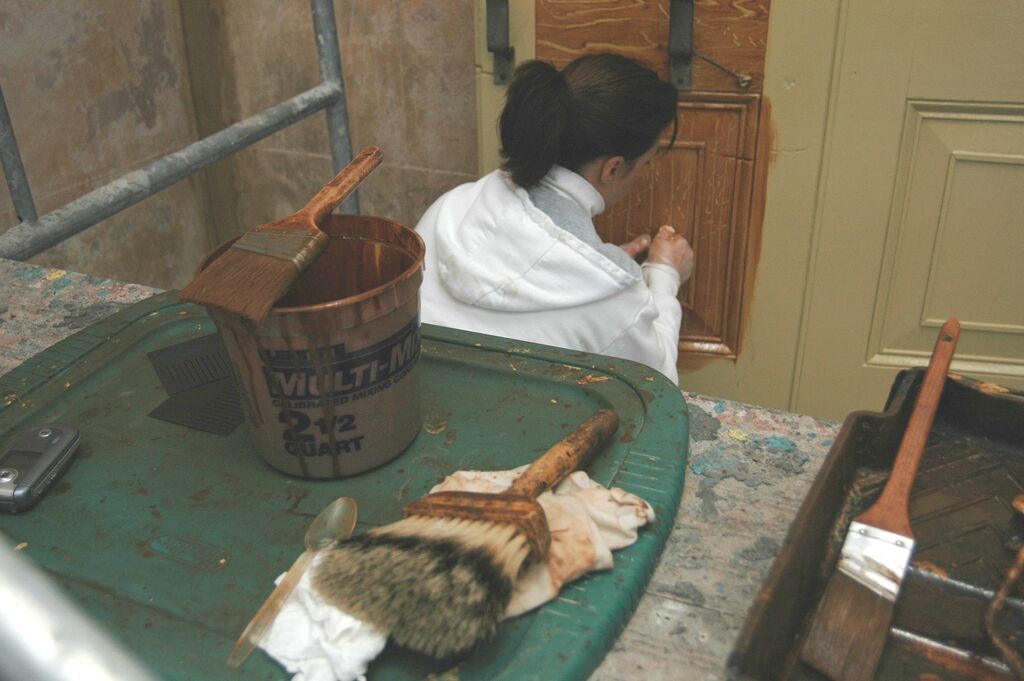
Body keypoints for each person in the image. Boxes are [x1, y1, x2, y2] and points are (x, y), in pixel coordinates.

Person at [415, 53, 694, 385]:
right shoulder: (611, 304)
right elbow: (658, 387)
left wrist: (597, 258)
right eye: (647, 162)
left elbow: (526, 265)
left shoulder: (450, 208)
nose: (644, 173)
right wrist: (664, 276)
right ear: (614, 168)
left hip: (421, 416)